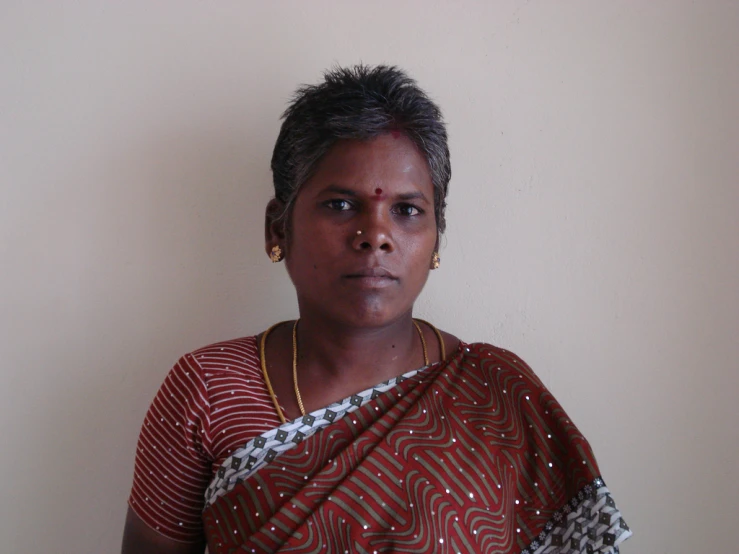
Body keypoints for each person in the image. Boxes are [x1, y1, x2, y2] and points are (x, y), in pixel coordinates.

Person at [122, 65, 631, 554]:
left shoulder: (497, 396)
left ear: (437, 240)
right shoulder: (207, 391)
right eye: (341, 204)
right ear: (278, 228)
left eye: (407, 211)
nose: (377, 237)